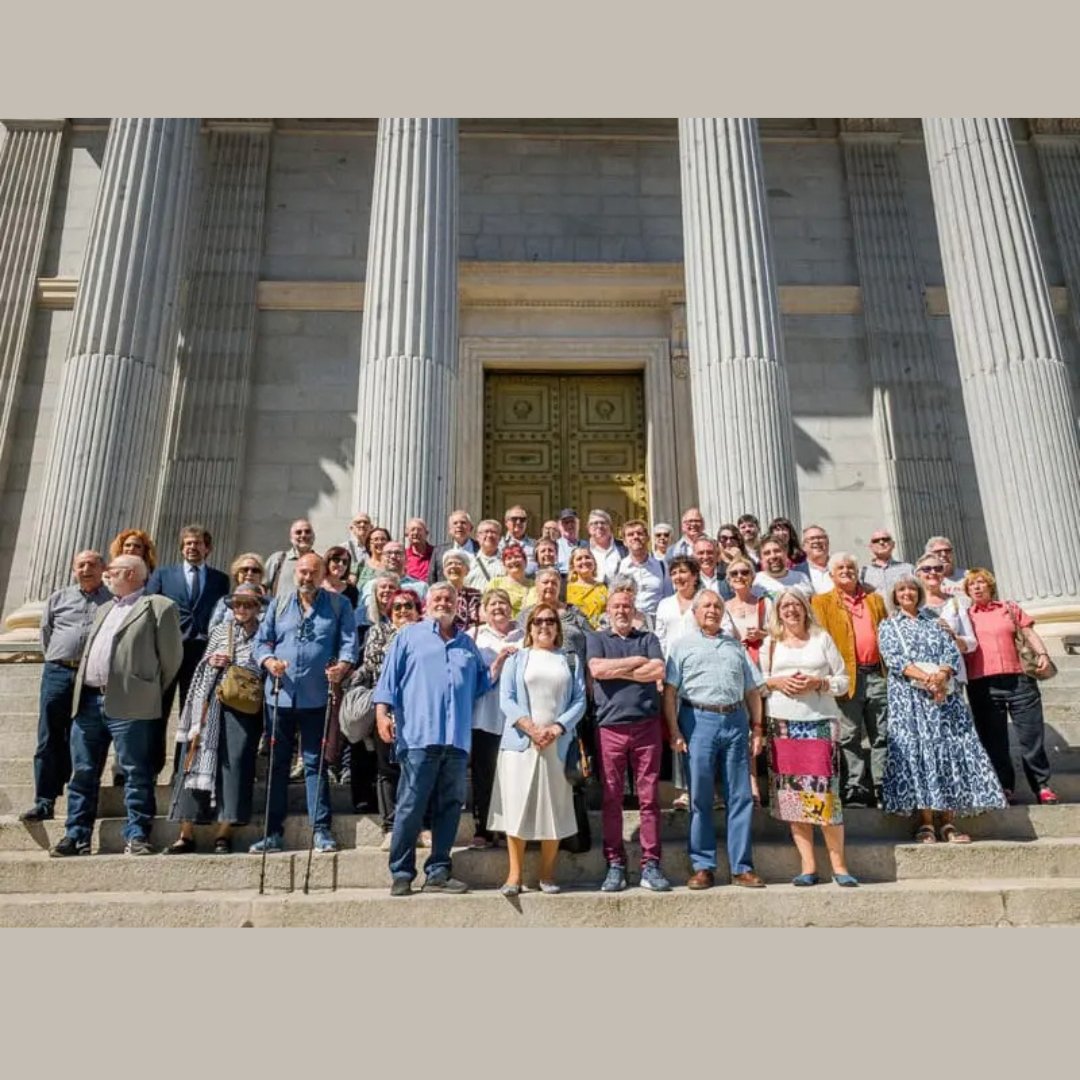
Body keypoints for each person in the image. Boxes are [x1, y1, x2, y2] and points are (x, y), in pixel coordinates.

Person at [50, 555, 183, 857]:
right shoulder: (105, 608)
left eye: (113, 570)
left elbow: (171, 659)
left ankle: (137, 834)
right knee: (83, 771)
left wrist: (145, 689)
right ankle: (76, 835)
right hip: (88, 700)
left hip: (130, 703)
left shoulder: (159, 606)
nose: (106, 574)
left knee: (136, 771)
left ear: (133, 574)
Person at [375, 582, 495, 895]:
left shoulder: (466, 644)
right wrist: (382, 714)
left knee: (451, 806)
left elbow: (480, 686)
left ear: (458, 605)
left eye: (449, 598)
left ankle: (438, 871)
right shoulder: (409, 635)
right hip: (418, 736)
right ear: (427, 603)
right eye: (438, 598)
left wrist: (498, 666)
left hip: (456, 739)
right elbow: (388, 680)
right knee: (410, 805)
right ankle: (401, 873)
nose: (444, 602)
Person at [878, 575, 1007, 841]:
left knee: (949, 752)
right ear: (894, 595)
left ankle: (948, 822)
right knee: (919, 754)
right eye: (901, 590)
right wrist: (927, 679)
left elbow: (950, 653)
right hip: (910, 700)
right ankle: (925, 822)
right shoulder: (889, 624)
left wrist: (941, 677)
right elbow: (895, 659)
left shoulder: (934, 621)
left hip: (944, 696)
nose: (907, 593)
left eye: (912, 589)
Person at [251, 553, 358, 853]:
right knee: (277, 765)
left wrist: (344, 666)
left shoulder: (339, 605)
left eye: (312, 572)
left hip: (317, 696)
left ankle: (321, 830)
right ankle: (272, 832)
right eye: (302, 572)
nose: (306, 577)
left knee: (315, 763)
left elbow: (349, 642)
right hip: (280, 697)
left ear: (323, 574)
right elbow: (261, 641)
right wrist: (269, 661)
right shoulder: (279, 603)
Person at [663, 591, 766, 889]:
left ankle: (742, 868)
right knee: (701, 797)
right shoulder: (681, 646)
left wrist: (757, 728)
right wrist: (675, 731)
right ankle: (703, 866)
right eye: (706, 605)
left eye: (717, 606)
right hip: (698, 721)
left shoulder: (736, 646)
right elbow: (670, 692)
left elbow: (752, 690)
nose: (712, 610)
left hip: (735, 721)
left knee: (741, 796)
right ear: (694, 613)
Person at [759, 589, 856, 886]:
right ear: (777, 612)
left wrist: (819, 682)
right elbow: (757, 683)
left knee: (827, 793)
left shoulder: (821, 638)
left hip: (819, 722)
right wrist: (776, 681)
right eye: (784, 606)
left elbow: (843, 680)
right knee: (793, 796)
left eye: (795, 605)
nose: (790, 610)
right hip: (783, 723)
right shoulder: (770, 644)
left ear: (805, 608)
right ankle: (808, 865)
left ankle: (839, 866)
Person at [490, 602, 587, 895]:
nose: (544, 626)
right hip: (521, 743)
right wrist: (531, 728)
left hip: (557, 744)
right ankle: (514, 876)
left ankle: (547, 874)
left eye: (550, 621)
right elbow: (506, 699)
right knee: (516, 808)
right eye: (538, 621)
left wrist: (556, 728)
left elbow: (580, 701)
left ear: (558, 627)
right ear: (529, 627)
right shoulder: (517, 659)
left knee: (553, 809)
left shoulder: (569, 660)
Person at [165, 583, 266, 854]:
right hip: (211, 702)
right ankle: (185, 833)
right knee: (195, 758)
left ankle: (225, 831)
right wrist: (212, 662)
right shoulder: (221, 630)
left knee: (236, 763)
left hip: (243, 705)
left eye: (248, 604)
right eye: (237, 604)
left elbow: (264, 664)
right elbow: (203, 663)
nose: (242, 609)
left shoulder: (265, 633)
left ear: (258, 607)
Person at [587, 588, 670, 893]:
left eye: (627, 606)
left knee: (649, 799)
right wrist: (637, 663)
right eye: (616, 606)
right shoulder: (598, 638)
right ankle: (615, 864)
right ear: (608, 610)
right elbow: (597, 669)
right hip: (610, 727)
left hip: (646, 726)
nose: (622, 611)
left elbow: (658, 669)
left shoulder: (647, 638)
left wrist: (618, 671)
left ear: (635, 610)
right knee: (612, 798)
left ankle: (651, 864)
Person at [19, 551, 110, 823]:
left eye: (92, 564)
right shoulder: (58, 598)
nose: (86, 569)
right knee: (49, 736)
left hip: (91, 676)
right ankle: (44, 800)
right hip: (58, 671)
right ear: (74, 570)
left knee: (86, 738)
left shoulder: (110, 601)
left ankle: (82, 800)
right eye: (80, 565)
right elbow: (46, 635)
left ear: (103, 568)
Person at [963, 568, 1059, 805]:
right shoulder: (965, 616)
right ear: (967, 591)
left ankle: (1042, 786)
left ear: (990, 586)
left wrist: (1043, 653)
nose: (977, 587)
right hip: (983, 684)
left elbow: (1028, 631)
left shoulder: (1008, 608)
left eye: (981, 583)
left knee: (1031, 736)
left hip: (1019, 679)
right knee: (994, 739)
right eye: (972, 585)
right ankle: (1004, 786)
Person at [146, 524, 230, 777]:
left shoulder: (220, 579)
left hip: (201, 652)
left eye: (198, 543)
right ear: (182, 547)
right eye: (188, 543)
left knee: (192, 713)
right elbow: (150, 610)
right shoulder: (163, 575)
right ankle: (152, 767)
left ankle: (182, 769)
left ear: (208, 548)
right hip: (168, 649)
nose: (193, 547)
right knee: (158, 711)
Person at [811, 552, 889, 807]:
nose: (846, 571)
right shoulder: (821, 603)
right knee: (849, 734)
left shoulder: (875, 600)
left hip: (876, 674)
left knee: (881, 734)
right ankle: (854, 787)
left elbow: (886, 633)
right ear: (831, 575)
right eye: (840, 568)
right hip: (847, 676)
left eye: (851, 567)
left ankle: (883, 786)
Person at [350, 587, 421, 848]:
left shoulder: (426, 633)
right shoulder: (379, 631)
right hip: (388, 710)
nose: (403, 611)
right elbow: (374, 664)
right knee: (387, 770)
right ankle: (391, 826)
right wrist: (400, 639)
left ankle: (417, 825)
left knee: (417, 770)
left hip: (420, 713)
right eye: (397, 607)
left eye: (408, 606)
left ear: (418, 610)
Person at [468, 589, 523, 849]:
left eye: (503, 603)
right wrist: (499, 662)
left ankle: (514, 828)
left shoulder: (524, 634)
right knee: (485, 775)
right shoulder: (473, 636)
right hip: (485, 717)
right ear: (483, 610)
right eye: (492, 604)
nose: (498, 608)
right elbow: (470, 678)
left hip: (519, 720)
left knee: (516, 775)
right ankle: (484, 828)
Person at [915, 553, 977, 685]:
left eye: (938, 569)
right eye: (927, 569)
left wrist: (954, 637)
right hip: (924, 677)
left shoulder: (955, 602)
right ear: (918, 574)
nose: (933, 572)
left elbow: (972, 643)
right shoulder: (913, 606)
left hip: (954, 676)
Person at [518, 568, 592, 669]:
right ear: (536, 585)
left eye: (554, 583)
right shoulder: (525, 615)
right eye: (545, 582)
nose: (550, 585)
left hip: (574, 672)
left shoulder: (573, 611)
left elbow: (592, 640)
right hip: (536, 671)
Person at [616, 518, 670, 618]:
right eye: (630, 534)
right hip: (630, 622)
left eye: (639, 533)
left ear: (648, 538)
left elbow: (668, 598)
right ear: (624, 542)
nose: (635, 537)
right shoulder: (620, 567)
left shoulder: (662, 566)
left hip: (656, 623)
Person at [655, 554, 701, 659]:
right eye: (674, 573)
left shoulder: (705, 601)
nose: (678, 577)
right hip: (672, 665)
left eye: (683, 572)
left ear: (695, 575)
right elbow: (660, 638)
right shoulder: (664, 605)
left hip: (699, 663)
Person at [209, 553, 267, 629]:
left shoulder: (269, 604)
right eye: (245, 570)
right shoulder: (224, 602)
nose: (249, 573)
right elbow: (212, 628)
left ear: (260, 576)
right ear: (237, 574)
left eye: (255, 570)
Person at [363, 539, 427, 604]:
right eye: (388, 553)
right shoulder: (369, 586)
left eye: (398, 553)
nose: (393, 556)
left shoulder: (421, 587)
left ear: (406, 559)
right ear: (381, 558)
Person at [265, 518, 316, 597]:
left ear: (313, 536)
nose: (303, 535)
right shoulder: (278, 560)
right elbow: (262, 588)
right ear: (291, 538)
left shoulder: (321, 562)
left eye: (307, 532)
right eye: (298, 532)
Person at [753, 534, 813, 600]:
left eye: (777, 551)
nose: (773, 556)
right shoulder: (754, 581)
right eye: (767, 553)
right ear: (761, 559)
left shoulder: (801, 577)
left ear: (786, 553)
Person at [485, 542, 533, 618]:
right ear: (504, 565)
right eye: (509, 558)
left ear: (525, 562)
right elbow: (484, 609)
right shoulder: (496, 583)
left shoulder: (535, 585)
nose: (513, 561)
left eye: (517, 556)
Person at [565, 546, 608, 629]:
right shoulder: (566, 589)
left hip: (600, 634)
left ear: (594, 563)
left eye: (587, 557)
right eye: (579, 559)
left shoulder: (603, 587)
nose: (584, 561)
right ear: (573, 566)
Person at [859, 530, 913, 595]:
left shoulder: (908, 569)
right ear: (871, 547)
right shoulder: (863, 572)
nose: (881, 542)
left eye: (885, 539)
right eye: (876, 541)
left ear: (893, 544)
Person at [441, 550, 481, 632]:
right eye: (449, 563)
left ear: (467, 571)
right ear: (444, 571)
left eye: (459, 563)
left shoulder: (475, 595)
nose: (453, 566)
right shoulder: (435, 594)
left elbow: (480, 621)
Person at [432, 509, 479, 580]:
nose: (459, 525)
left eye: (463, 523)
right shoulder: (439, 551)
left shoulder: (480, 548)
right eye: (455, 523)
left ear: (471, 528)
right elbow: (432, 578)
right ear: (450, 530)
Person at [587, 508, 627, 584]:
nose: (599, 526)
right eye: (595, 523)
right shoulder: (582, 549)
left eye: (603, 523)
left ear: (610, 527)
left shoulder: (624, 547)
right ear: (589, 528)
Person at [465, 519, 506, 590]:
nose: (489, 535)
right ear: (477, 537)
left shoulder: (507, 562)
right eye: (486, 532)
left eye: (493, 532)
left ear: (499, 538)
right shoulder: (468, 560)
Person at [501, 505, 538, 575]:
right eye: (514, 519)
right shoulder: (498, 544)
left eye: (522, 519)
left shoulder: (535, 545)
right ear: (506, 522)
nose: (518, 522)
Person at [355, 526, 391, 593]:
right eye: (376, 539)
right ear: (369, 544)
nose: (380, 542)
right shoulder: (360, 566)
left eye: (383, 539)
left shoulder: (394, 567)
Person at [801, 525, 834, 594]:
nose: (816, 541)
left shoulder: (841, 567)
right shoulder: (797, 572)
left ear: (828, 542)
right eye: (812, 538)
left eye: (821, 538)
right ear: (804, 546)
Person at [403, 517, 437, 585]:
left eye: (419, 529)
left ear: (426, 533)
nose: (416, 532)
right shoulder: (403, 555)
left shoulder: (436, 553)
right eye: (412, 530)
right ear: (407, 534)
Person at [555, 508, 587, 573]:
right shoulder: (554, 546)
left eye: (572, 522)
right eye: (565, 523)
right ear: (559, 526)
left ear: (578, 524)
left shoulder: (587, 545)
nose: (570, 525)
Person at [344, 512, 373, 582]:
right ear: (351, 528)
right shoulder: (343, 548)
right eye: (358, 522)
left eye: (366, 522)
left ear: (371, 527)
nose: (362, 525)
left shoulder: (377, 548)